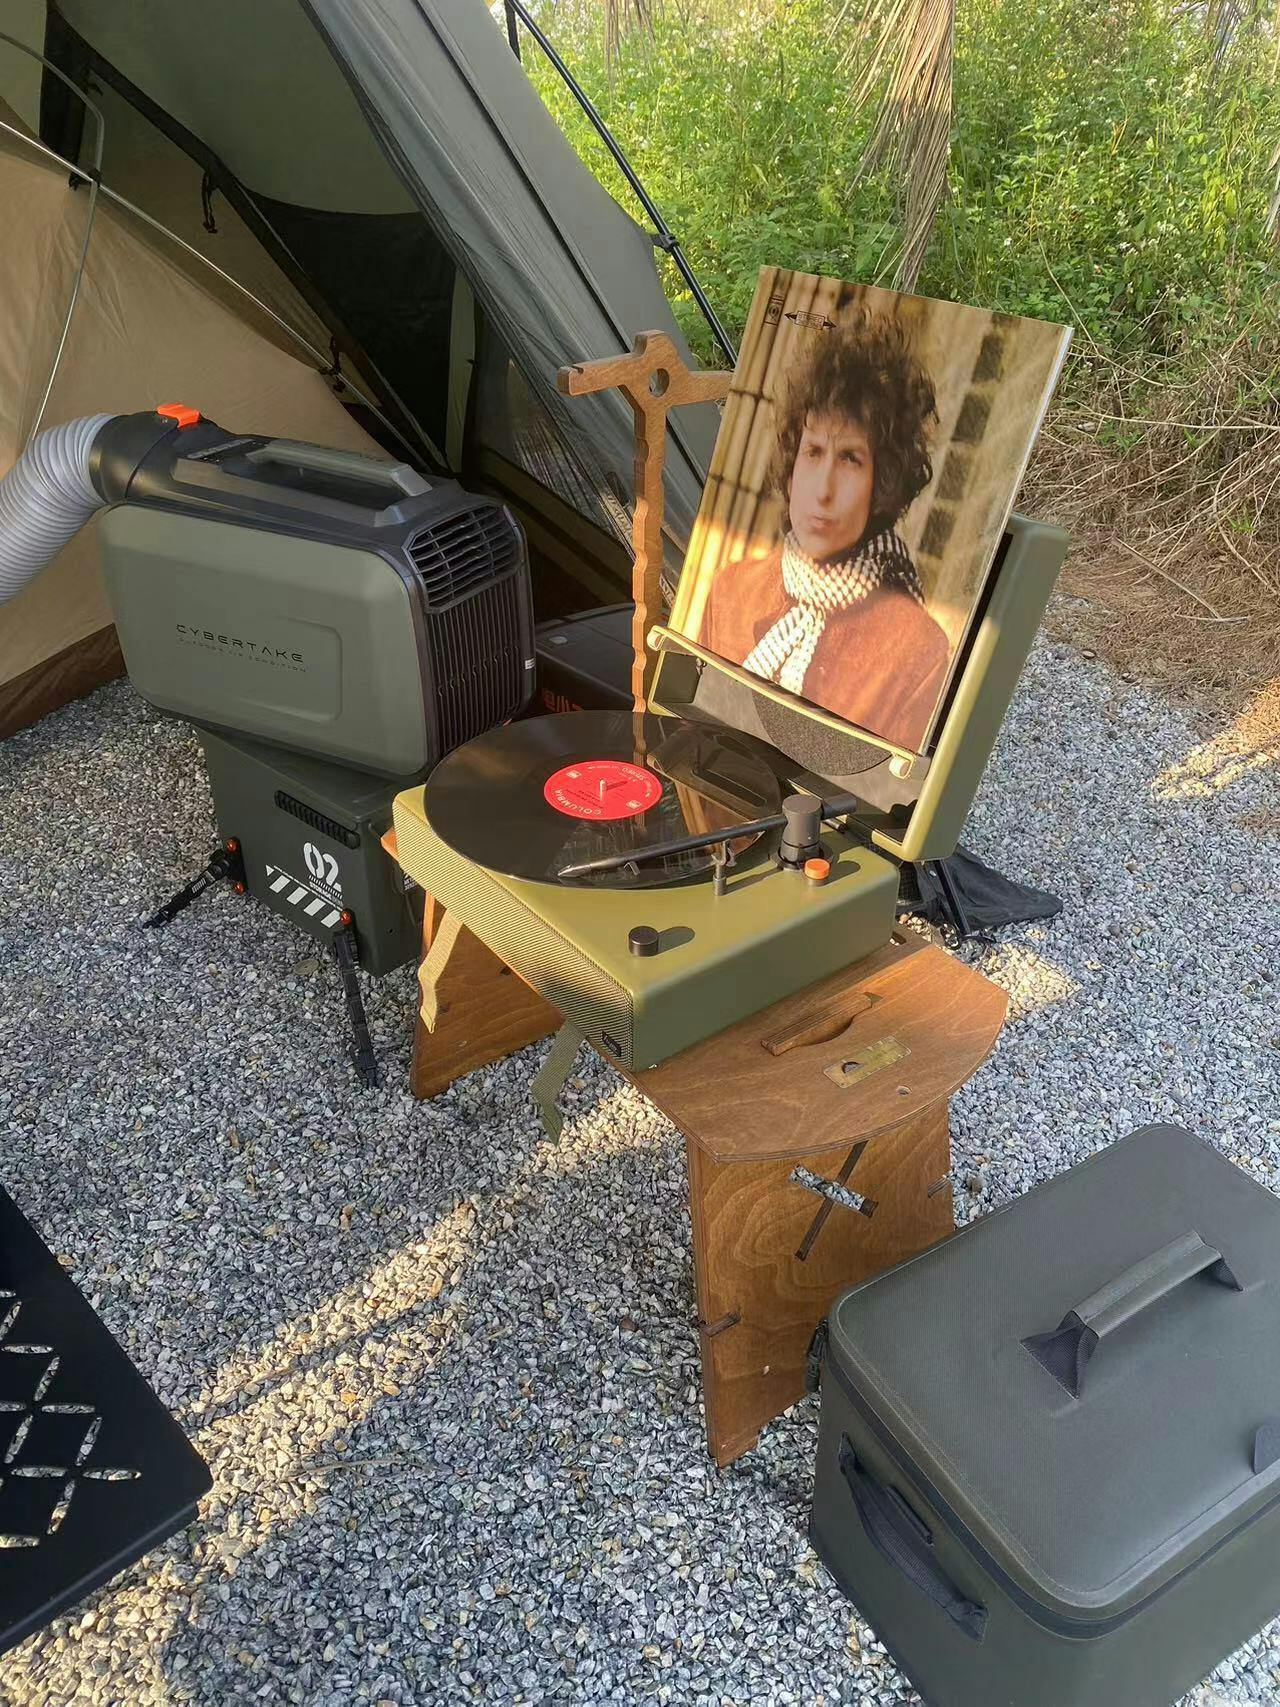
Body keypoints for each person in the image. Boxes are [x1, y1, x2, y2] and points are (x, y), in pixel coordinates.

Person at [694, 316, 949, 753]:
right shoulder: (730, 589)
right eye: (813, 452)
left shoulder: (917, 650)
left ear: (883, 483)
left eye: (850, 459)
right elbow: (695, 733)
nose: (823, 489)